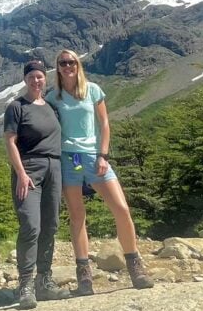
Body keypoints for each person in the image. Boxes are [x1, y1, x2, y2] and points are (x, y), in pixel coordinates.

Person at [46, 48, 153, 295]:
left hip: (95, 158)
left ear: (78, 64)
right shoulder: (54, 97)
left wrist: (103, 155)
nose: (67, 66)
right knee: (77, 216)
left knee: (121, 209)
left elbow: (104, 123)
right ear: (58, 67)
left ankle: (135, 265)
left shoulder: (93, 90)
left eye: (71, 61)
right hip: (69, 159)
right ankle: (84, 277)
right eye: (62, 62)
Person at [4, 58, 71, 309]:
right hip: (29, 169)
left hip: (54, 167)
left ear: (45, 78)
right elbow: (10, 142)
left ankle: (44, 281)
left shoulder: (51, 106)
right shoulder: (16, 107)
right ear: (25, 79)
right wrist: (20, 173)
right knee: (31, 225)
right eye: (31, 76)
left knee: (50, 225)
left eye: (40, 76)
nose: (36, 80)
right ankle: (25, 284)